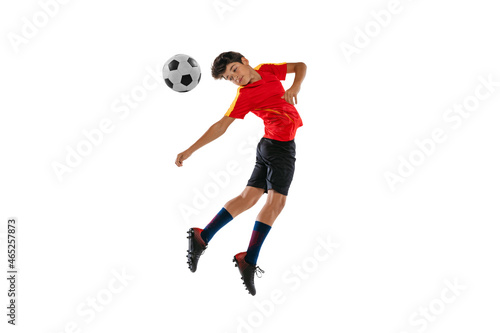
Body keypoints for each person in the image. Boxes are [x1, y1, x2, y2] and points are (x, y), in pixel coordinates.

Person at [176, 51, 306, 295]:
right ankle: (250, 258)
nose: (235, 78)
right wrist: (190, 150)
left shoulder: (268, 69)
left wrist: (295, 85)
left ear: (245, 61)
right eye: (228, 78)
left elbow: (300, 65)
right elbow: (221, 126)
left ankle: (202, 236)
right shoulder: (244, 96)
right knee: (276, 204)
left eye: (234, 70)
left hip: (271, 145)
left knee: (249, 198)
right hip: (279, 149)